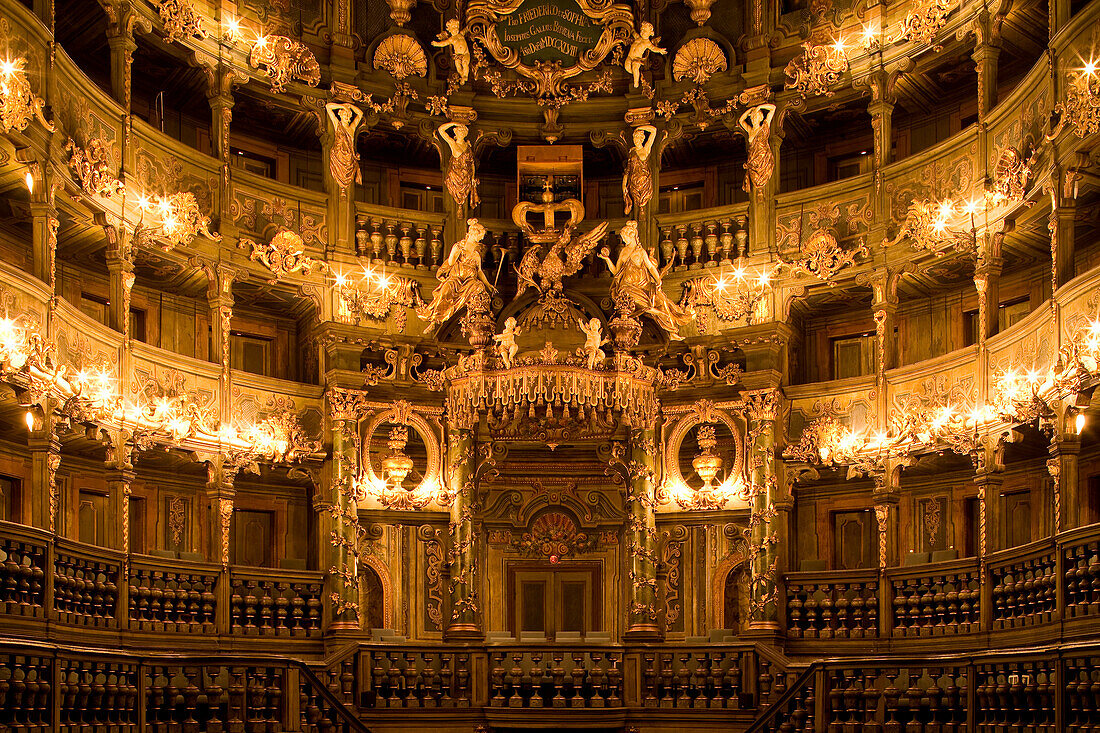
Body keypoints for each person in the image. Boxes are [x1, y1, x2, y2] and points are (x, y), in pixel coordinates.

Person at [598, 220, 692, 339]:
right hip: (627, 287)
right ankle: (655, 311)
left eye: (624, 237)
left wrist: (658, 280)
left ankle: (671, 330)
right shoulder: (624, 251)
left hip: (643, 285)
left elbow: (651, 267)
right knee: (645, 304)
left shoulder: (640, 252)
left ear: (631, 236)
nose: (623, 240)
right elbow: (616, 271)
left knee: (662, 300)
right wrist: (607, 259)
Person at [416, 219, 493, 333]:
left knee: (479, 287)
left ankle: (471, 317)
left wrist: (488, 284)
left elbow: (480, 271)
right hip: (456, 279)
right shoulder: (458, 247)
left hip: (470, 281)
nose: (481, 239)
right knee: (445, 291)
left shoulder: (476, 254)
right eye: (480, 236)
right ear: (473, 233)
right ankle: (434, 320)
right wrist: (456, 253)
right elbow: (451, 263)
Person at [437, 121, 480, 211]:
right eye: (459, 131)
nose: (461, 132)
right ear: (455, 132)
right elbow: (441, 130)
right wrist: (454, 123)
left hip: (466, 177)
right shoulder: (453, 143)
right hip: (455, 176)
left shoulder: (467, 146)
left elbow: (471, 163)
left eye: (463, 131)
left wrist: (472, 177)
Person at [738, 103, 777, 199]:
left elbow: (773, 108)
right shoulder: (750, 130)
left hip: (762, 155)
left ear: (760, 118)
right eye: (752, 118)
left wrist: (760, 107)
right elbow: (741, 120)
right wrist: (750, 110)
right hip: (753, 156)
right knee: (754, 177)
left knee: (760, 176)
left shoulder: (764, 127)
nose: (754, 119)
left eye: (756, 117)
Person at [622, 125, 657, 216]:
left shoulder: (645, 150)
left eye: (638, 137)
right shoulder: (632, 152)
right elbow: (628, 170)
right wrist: (624, 184)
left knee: (644, 198)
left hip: (644, 181)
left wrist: (640, 128)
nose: (636, 139)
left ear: (642, 139)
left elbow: (654, 131)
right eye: (635, 137)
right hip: (634, 182)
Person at [624, 22, 666, 89]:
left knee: (635, 66)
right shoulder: (638, 37)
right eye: (642, 30)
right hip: (629, 56)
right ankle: (635, 73)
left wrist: (660, 50)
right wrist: (630, 27)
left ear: (650, 33)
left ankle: (636, 82)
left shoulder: (647, 43)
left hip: (637, 58)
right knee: (627, 66)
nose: (643, 32)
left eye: (645, 31)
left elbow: (653, 48)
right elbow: (633, 32)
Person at [432, 19, 470, 85]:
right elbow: (443, 43)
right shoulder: (452, 39)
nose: (455, 29)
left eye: (456, 27)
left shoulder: (461, 34)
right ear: (450, 30)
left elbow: (466, 29)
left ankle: (465, 76)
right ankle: (462, 75)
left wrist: (469, 25)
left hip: (465, 53)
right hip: (457, 55)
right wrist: (436, 44)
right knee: (458, 67)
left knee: (465, 63)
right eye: (453, 28)